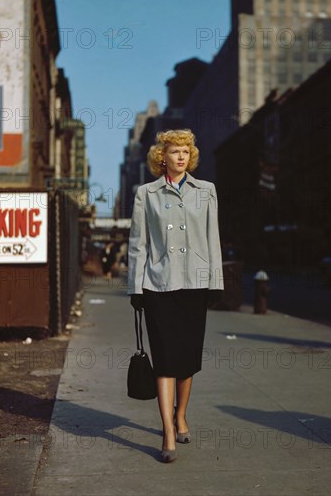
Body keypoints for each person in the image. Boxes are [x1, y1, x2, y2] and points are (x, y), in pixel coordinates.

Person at [127, 129, 224, 463]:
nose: (181, 156)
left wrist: (216, 282)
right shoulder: (146, 194)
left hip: (195, 284)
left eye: (186, 151)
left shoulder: (206, 191)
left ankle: (181, 413)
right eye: (174, 151)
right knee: (166, 358)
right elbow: (138, 244)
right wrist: (135, 287)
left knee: (187, 360)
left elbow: (213, 239)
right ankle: (168, 431)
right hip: (159, 284)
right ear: (161, 156)